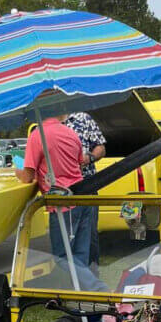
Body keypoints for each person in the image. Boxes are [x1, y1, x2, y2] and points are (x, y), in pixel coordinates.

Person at [17, 115, 101, 290]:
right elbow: (79, 162)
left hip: (63, 201)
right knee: (80, 254)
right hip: (82, 196)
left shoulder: (37, 135)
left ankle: (98, 290)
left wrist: (15, 171)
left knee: (62, 256)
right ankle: (83, 297)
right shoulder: (70, 133)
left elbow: (27, 176)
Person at [63, 112, 106, 269]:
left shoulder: (82, 119)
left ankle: (93, 277)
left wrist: (88, 158)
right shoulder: (46, 125)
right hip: (61, 189)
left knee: (90, 235)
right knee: (66, 237)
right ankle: (70, 281)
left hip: (87, 185)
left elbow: (101, 148)